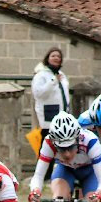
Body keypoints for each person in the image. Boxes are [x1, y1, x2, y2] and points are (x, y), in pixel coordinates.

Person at [31, 47, 69, 179]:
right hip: (48, 114)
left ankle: (55, 172)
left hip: (61, 114)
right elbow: (38, 93)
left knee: (60, 143)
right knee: (47, 143)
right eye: (53, 56)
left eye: (58, 56)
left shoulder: (61, 74)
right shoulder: (41, 75)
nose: (56, 58)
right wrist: (53, 81)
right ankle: (43, 174)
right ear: (47, 58)